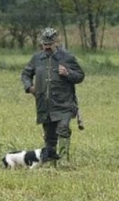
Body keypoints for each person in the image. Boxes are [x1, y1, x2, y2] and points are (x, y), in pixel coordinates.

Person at [21, 27, 85, 164]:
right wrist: (29, 87)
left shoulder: (67, 57)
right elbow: (26, 74)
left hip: (64, 104)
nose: (47, 47)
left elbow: (80, 76)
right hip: (45, 104)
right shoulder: (37, 58)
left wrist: (68, 73)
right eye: (44, 44)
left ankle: (63, 161)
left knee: (63, 129)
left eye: (49, 44)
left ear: (56, 42)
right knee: (50, 136)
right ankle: (51, 162)